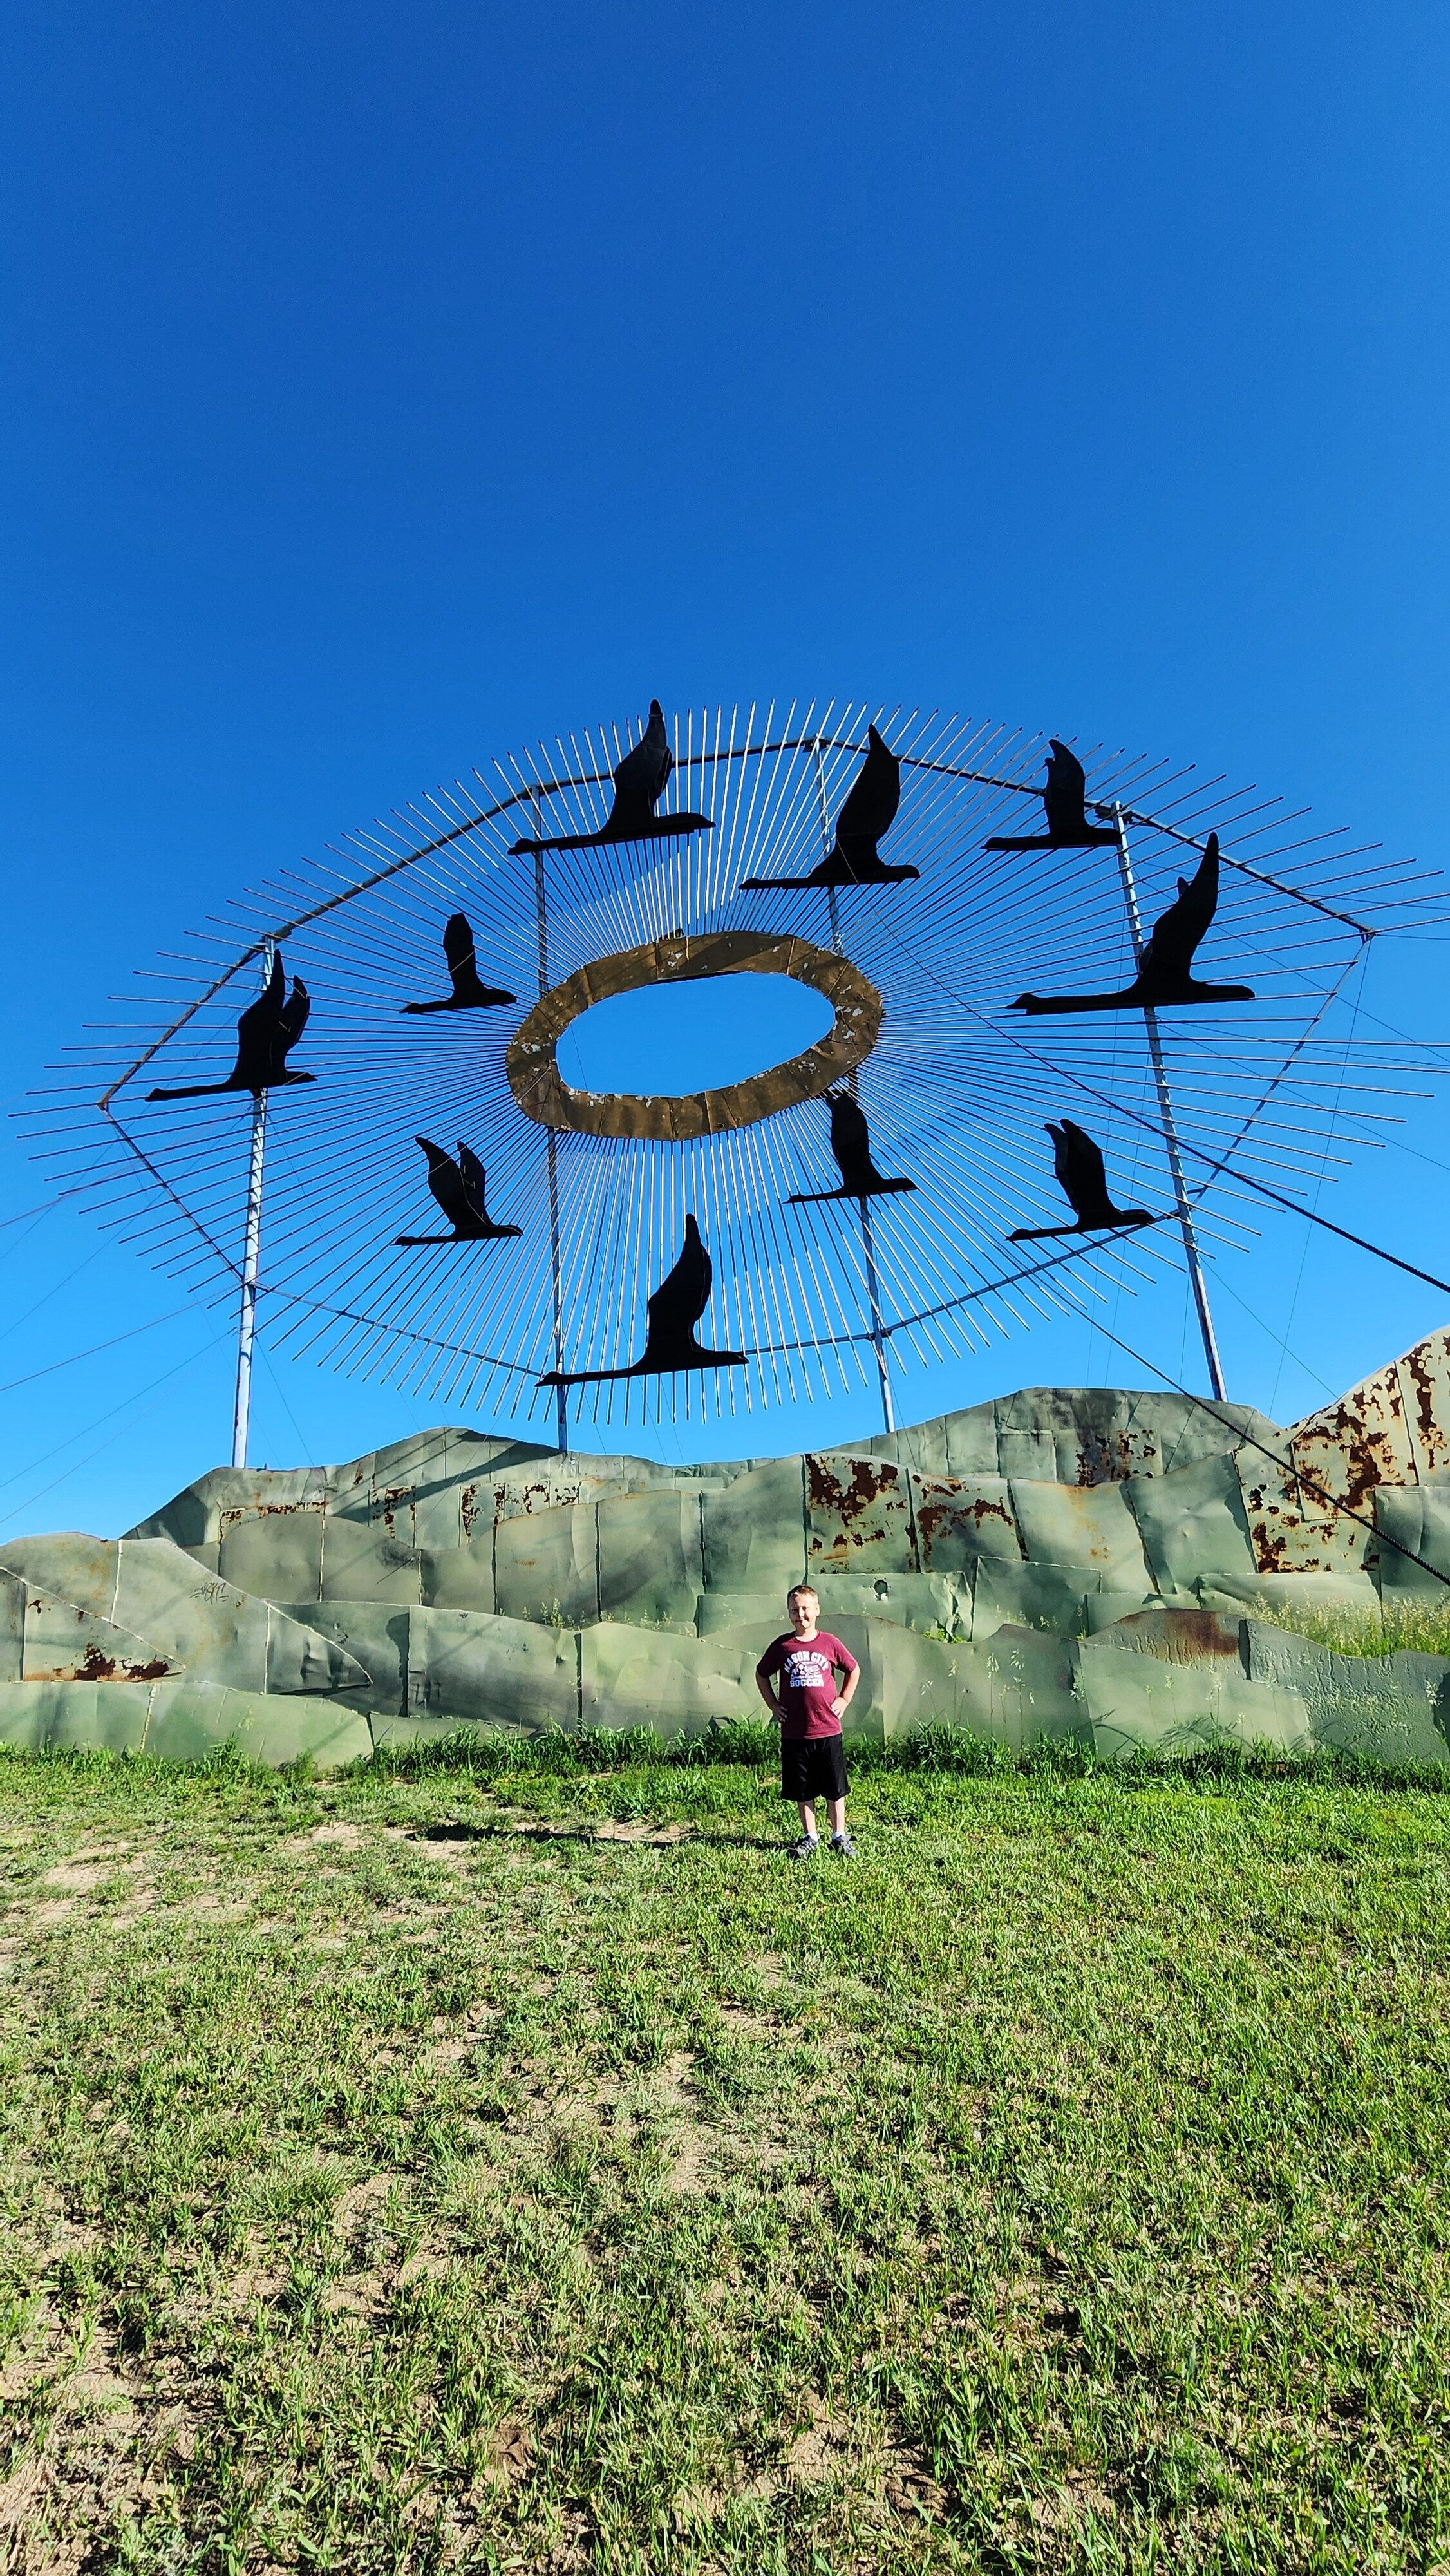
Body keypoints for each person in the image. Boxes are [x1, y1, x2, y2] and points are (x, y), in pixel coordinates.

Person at [755, 1585, 860, 1859]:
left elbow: (853, 1668)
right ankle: (810, 1837)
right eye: (794, 1609)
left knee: (835, 1788)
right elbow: (761, 1674)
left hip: (827, 1730)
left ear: (816, 1610)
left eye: (805, 1609)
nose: (800, 1614)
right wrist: (774, 1705)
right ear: (788, 1612)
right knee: (804, 1789)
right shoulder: (782, 1646)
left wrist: (844, 1699)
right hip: (796, 1734)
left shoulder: (829, 1643)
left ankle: (839, 1836)